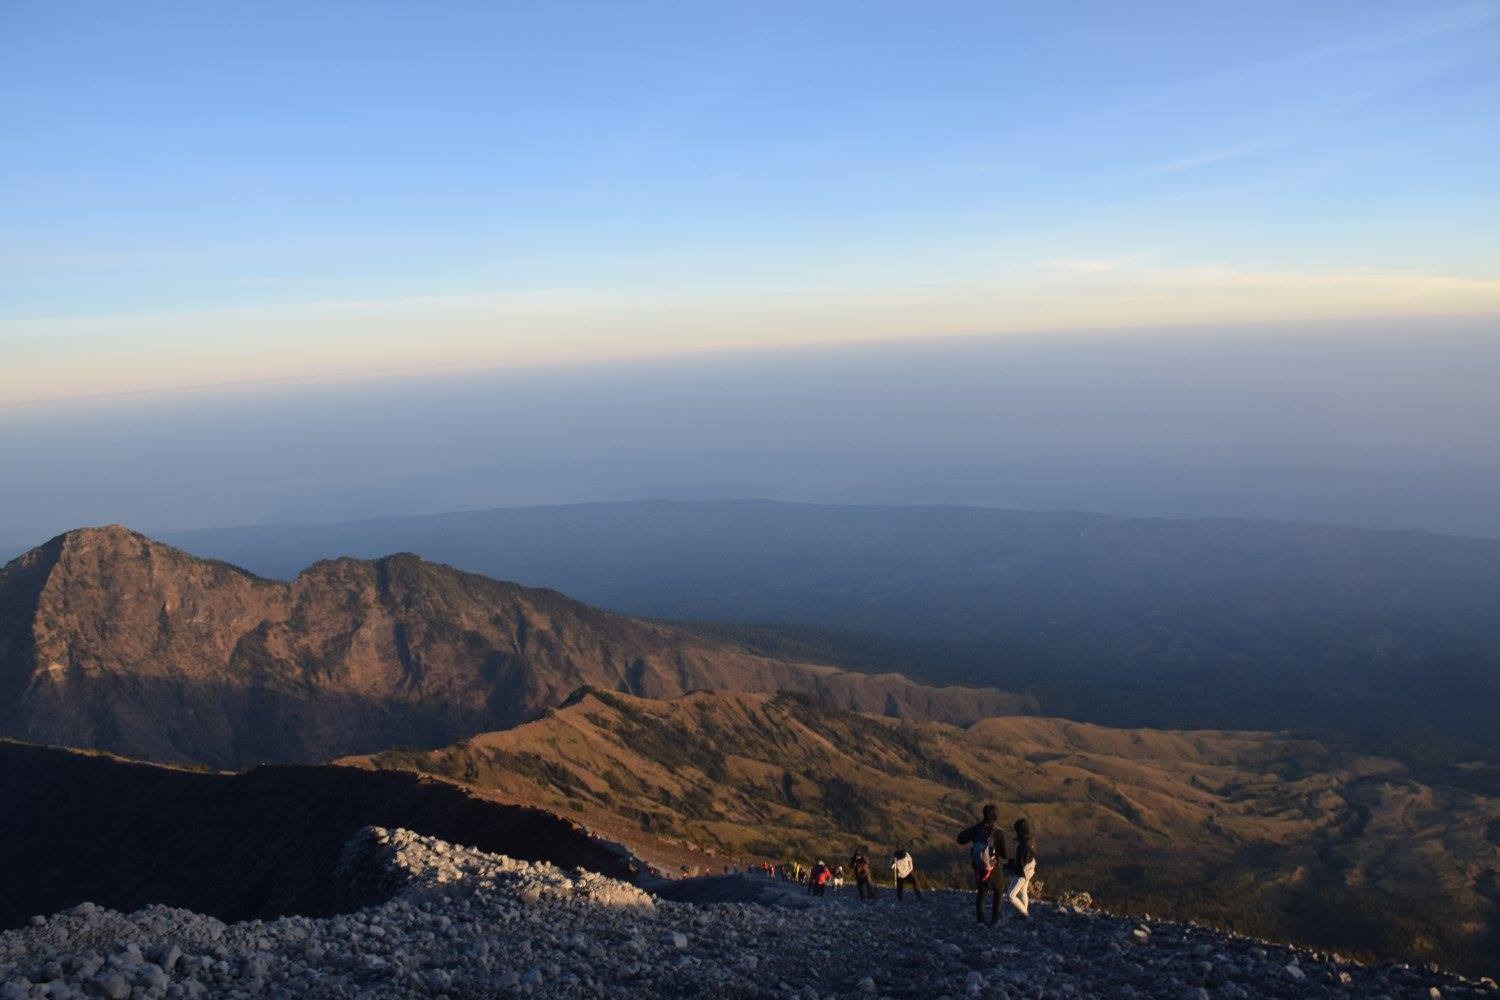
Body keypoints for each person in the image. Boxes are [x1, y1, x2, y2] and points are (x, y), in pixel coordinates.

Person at [956, 804, 1010, 925]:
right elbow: (1005, 855)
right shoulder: (999, 833)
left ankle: (980, 920)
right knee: (999, 891)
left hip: (979, 868)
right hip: (994, 868)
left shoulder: (976, 829)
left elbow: (960, 839)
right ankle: (995, 920)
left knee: (982, 893)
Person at [1005, 818, 1037, 918]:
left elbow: (1020, 864)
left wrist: (1008, 866)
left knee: (1010, 895)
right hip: (1031, 867)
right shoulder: (1031, 839)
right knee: (1023, 891)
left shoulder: (1023, 846)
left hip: (1023, 871)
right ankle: (1023, 913)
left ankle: (1025, 914)